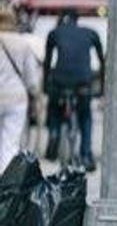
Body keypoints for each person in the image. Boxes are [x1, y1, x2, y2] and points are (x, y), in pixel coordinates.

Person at [43, 9, 104, 171]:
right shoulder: (91, 33)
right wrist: (101, 88)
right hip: (83, 82)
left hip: (59, 81)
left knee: (54, 108)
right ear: (78, 19)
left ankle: (54, 135)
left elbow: (47, 63)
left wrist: (45, 87)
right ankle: (85, 154)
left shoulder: (54, 33)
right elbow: (102, 61)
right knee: (85, 116)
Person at [0, 8, 41, 172]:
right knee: (10, 143)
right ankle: (4, 185)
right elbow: (31, 77)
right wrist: (35, 93)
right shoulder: (22, 43)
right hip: (17, 99)